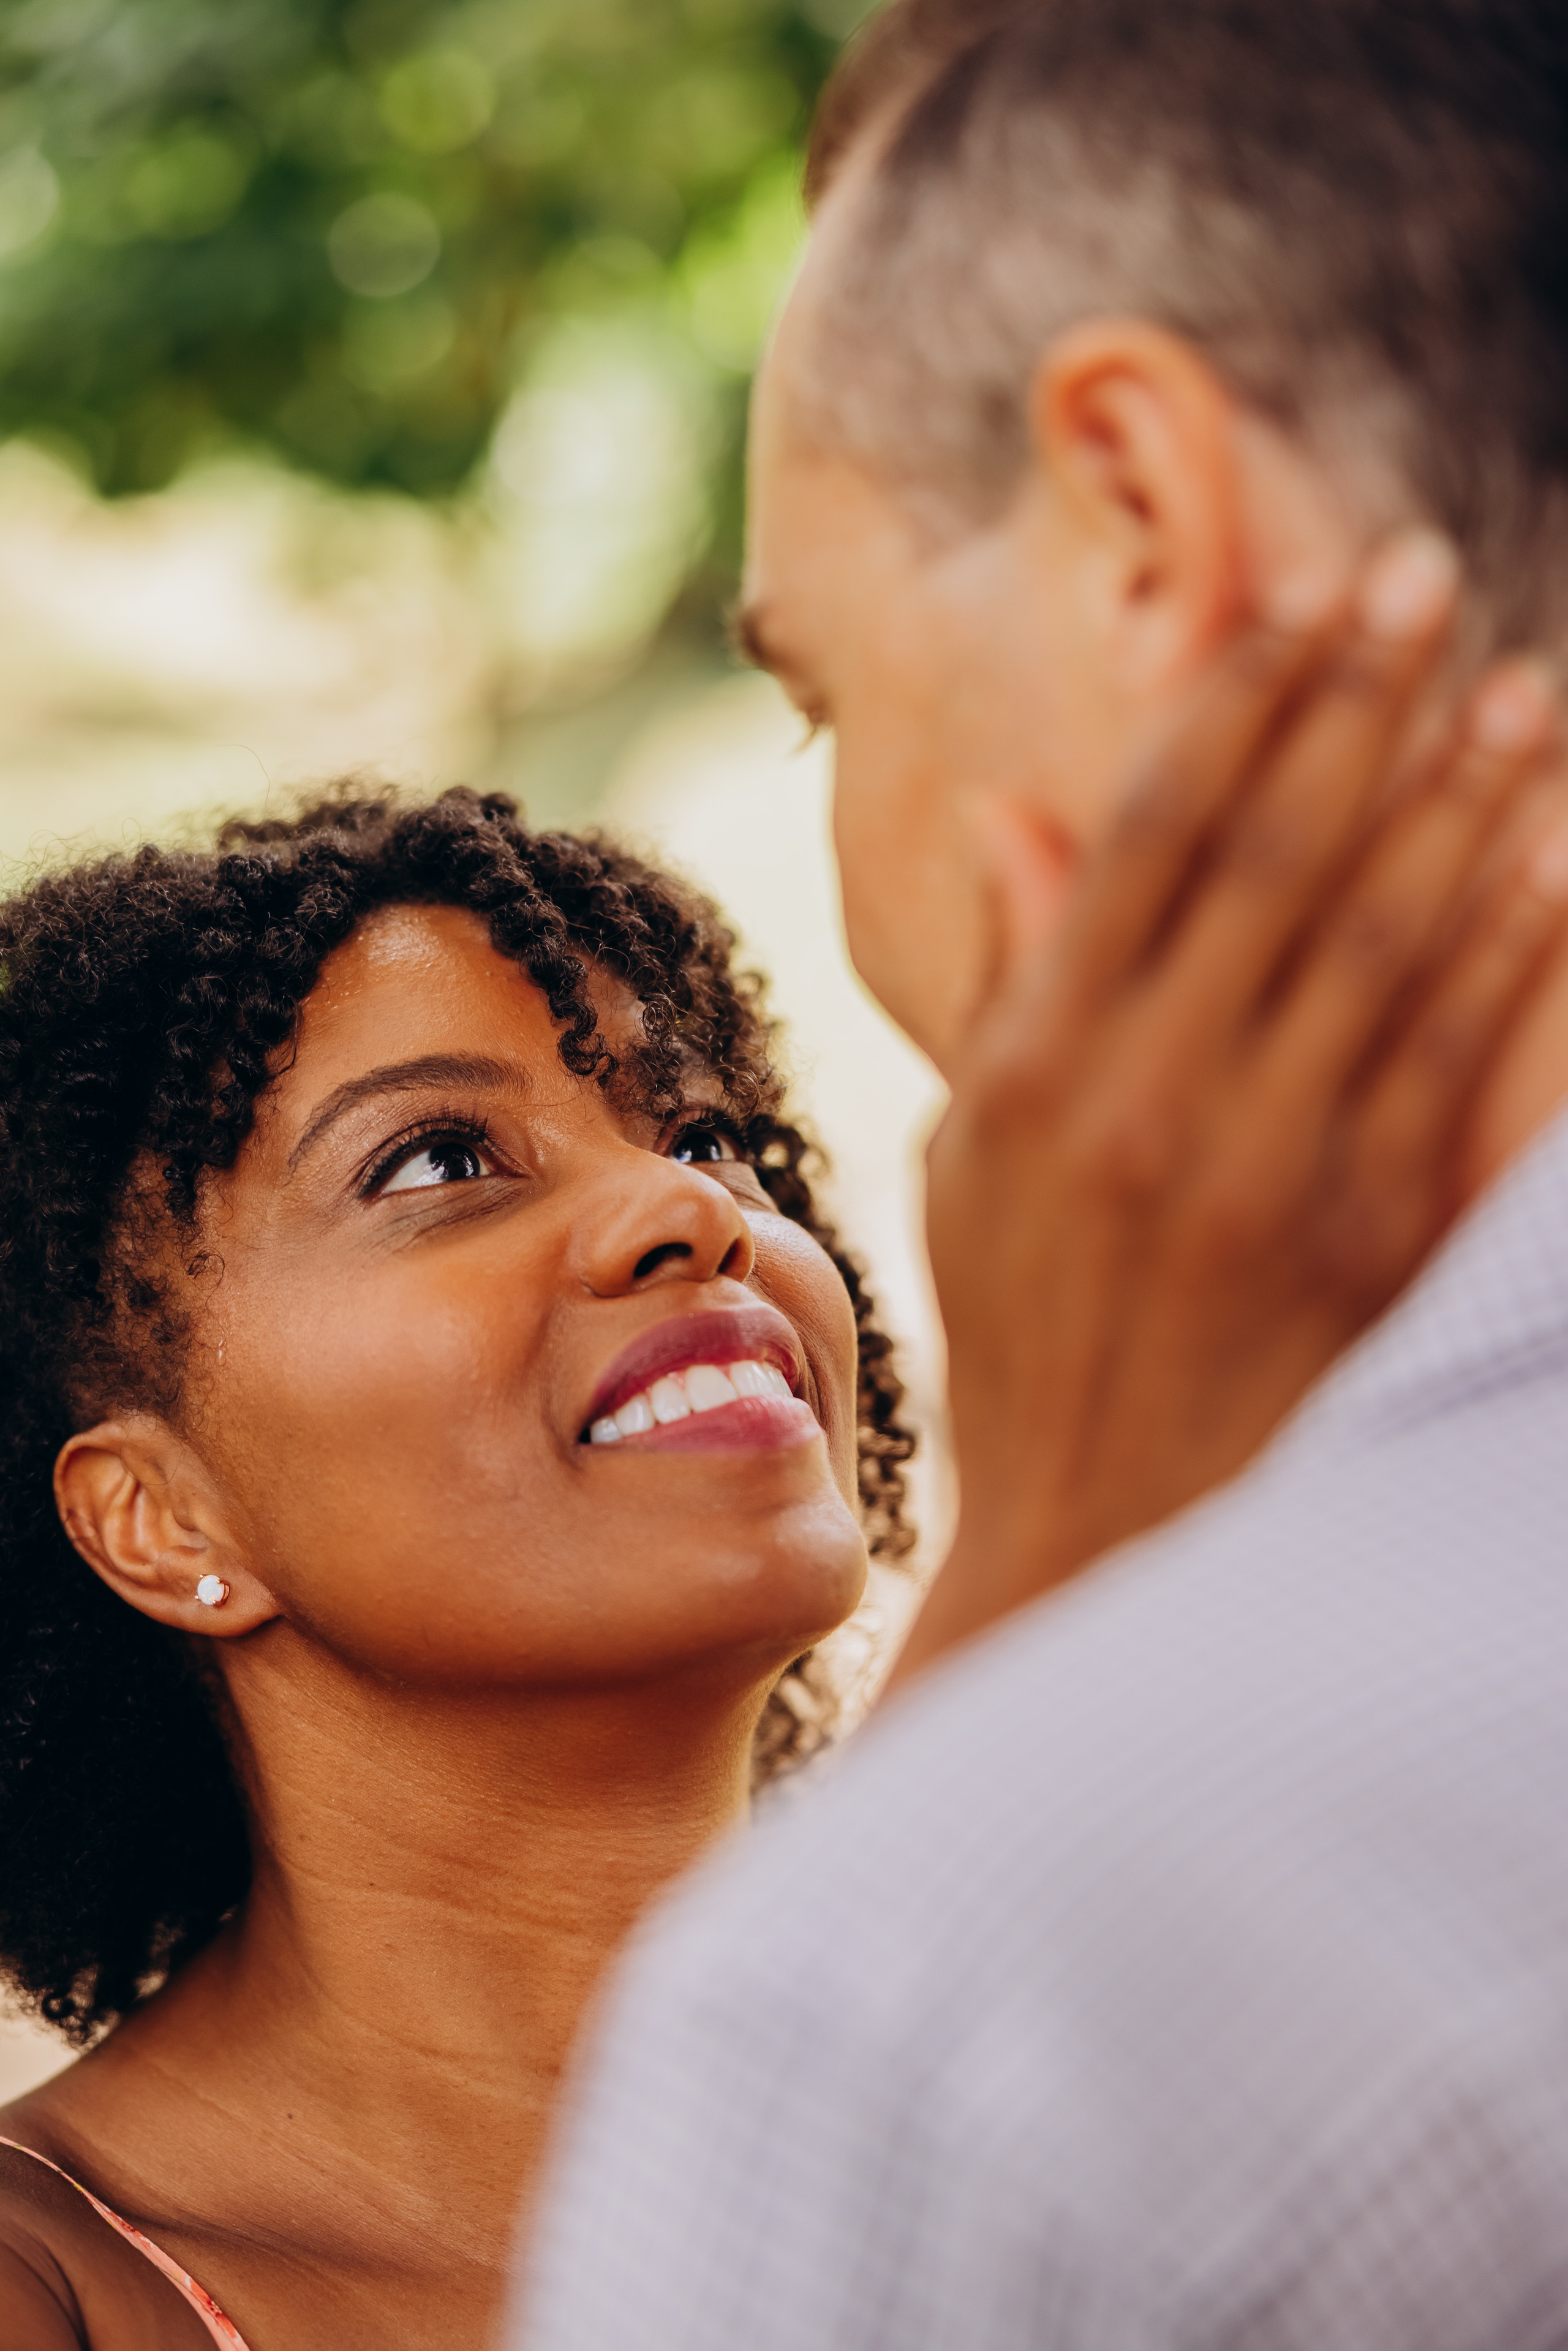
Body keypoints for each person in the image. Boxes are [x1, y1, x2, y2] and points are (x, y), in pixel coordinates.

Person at [0, 676, 1554, 2349]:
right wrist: (1045, 1550)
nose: (683, 1207)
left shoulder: (1217, 2110)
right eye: (440, 1162)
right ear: (159, 1520)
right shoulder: (58, 2282)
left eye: (705, 1132)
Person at [509, 4, 1568, 2347]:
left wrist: (1052, 1605)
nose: (684, 1215)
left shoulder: (928, 2012)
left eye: (827, 693)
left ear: (1136, 526)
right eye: (445, 1158)